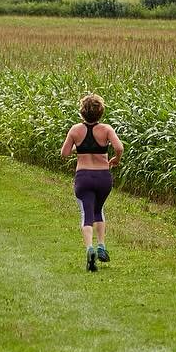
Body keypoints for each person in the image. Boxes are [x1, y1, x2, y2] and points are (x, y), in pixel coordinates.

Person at [60, 93, 124, 272]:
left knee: (86, 214)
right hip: (103, 177)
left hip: (84, 177)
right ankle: (101, 246)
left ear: (82, 112)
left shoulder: (75, 130)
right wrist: (116, 159)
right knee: (99, 210)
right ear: (100, 112)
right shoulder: (106, 129)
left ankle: (89, 248)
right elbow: (119, 147)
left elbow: (64, 153)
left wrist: (79, 148)